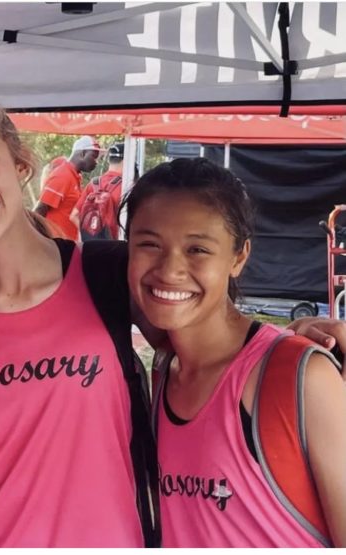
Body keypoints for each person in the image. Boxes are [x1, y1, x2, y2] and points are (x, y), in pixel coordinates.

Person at [0, 99, 150, 547]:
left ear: (19, 163)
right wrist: (1, 453)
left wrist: (292, 340)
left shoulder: (106, 273)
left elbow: (205, 362)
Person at [124, 158, 346, 547]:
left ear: (239, 257)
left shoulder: (299, 377)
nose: (170, 269)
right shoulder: (162, 371)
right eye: (149, 244)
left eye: (197, 249)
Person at [34, 135, 102, 240]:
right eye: (94, 156)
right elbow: (40, 209)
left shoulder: (75, 177)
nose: (96, 162)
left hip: (67, 242)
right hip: (55, 244)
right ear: (83, 153)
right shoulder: (63, 175)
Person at [73, 142, 125, 241]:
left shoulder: (94, 183)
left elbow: (74, 215)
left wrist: (89, 236)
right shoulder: (126, 186)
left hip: (89, 248)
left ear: (109, 161)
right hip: (113, 248)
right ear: (126, 161)